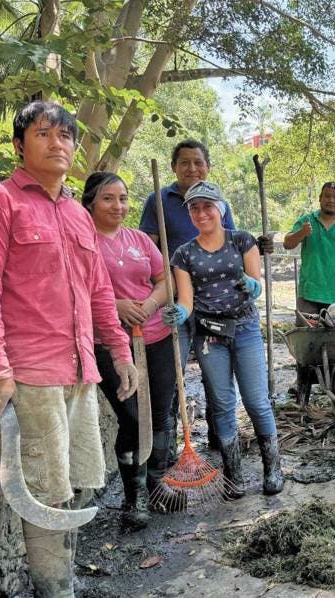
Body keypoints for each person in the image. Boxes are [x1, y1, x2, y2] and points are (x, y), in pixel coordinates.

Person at [0, 101, 137, 597]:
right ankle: (54, 590)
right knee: (45, 491)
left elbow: (99, 290)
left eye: (66, 137)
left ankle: (65, 579)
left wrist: (119, 351)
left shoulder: (79, 216)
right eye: (44, 134)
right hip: (30, 373)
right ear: (19, 146)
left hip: (79, 369)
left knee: (76, 480)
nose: (58, 144)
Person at [162, 181, 284, 496]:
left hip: (244, 328)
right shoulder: (183, 254)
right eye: (194, 208)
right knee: (222, 404)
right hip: (209, 335)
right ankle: (234, 477)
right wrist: (179, 311)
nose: (202, 213)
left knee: (257, 400)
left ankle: (273, 470)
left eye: (207, 206)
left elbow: (255, 281)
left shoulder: (242, 240)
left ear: (221, 208)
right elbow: (187, 300)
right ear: (189, 213)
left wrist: (253, 286)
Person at [81, 172, 184, 523]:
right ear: (91, 202)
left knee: (159, 414)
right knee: (131, 417)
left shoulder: (140, 239)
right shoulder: (82, 242)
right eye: (109, 198)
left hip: (155, 337)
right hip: (108, 343)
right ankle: (134, 495)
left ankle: (157, 485)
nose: (119, 205)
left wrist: (152, 304)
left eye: (123, 198)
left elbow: (164, 279)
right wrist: (115, 306)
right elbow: (77, 293)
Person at [137, 140, 244, 450]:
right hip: (175, 301)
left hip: (214, 303)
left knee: (217, 371)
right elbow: (148, 250)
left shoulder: (217, 201)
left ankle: (220, 439)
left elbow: (233, 244)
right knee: (173, 372)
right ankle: (168, 444)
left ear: (207, 166)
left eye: (198, 162)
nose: (192, 168)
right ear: (174, 167)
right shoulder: (158, 201)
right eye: (185, 162)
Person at [283, 181, 335, 402]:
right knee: (306, 347)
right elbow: (287, 243)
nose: (331, 200)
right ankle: (303, 390)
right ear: (320, 198)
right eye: (327, 196)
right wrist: (301, 233)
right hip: (309, 295)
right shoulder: (308, 220)